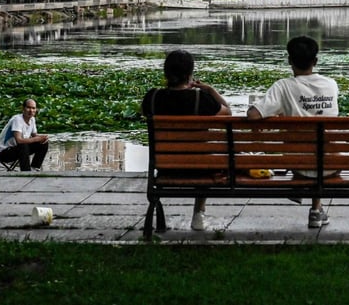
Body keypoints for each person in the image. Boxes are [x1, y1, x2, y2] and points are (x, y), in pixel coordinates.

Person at [247, 35, 338, 229]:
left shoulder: (283, 86)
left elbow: (253, 115)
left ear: (289, 60)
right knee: (318, 151)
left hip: (298, 163)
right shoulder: (331, 85)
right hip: (332, 163)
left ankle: (300, 188)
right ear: (315, 61)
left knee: (305, 155)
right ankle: (316, 210)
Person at [141, 49, 231, 231]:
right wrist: (211, 90)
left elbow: (142, 112)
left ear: (166, 73)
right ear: (190, 74)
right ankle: (198, 214)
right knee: (207, 157)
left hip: (165, 166)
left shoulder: (153, 97)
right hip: (199, 166)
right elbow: (227, 112)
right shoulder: (201, 99)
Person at [0, 99, 49, 171]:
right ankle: (26, 172)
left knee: (43, 143)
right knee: (23, 145)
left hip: (18, 149)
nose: (31, 110)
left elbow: (34, 136)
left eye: (33, 108)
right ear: (23, 108)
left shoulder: (32, 119)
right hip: (4, 153)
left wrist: (43, 137)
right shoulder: (17, 119)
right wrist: (37, 139)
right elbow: (19, 140)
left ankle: (34, 168)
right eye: (28, 107)